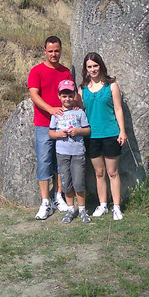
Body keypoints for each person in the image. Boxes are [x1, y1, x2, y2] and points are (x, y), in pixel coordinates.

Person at [78, 52, 128, 220]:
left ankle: (116, 207)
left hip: (111, 134)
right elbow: (76, 108)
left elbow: (118, 109)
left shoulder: (111, 85)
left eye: (95, 66)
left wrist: (122, 131)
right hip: (92, 136)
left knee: (112, 172)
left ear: (101, 66)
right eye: (89, 67)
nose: (92, 69)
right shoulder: (82, 89)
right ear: (85, 69)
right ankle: (103, 205)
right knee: (99, 173)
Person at [28, 36, 72, 220]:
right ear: (45, 51)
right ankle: (45, 202)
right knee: (44, 161)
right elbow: (34, 95)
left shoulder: (66, 72)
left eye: (57, 50)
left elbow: (71, 94)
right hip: (43, 124)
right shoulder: (36, 71)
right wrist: (51, 110)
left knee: (60, 162)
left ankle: (58, 197)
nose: (54, 54)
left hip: (62, 124)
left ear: (61, 50)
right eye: (50, 51)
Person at [49, 79, 91, 224]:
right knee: (66, 183)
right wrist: (59, 134)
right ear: (59, 96)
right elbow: (51, 133)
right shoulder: (57, 113)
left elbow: (87, 130)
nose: (67, 99)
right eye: (64, 96)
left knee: (79, 182)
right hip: (62, 152)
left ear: (74, 96)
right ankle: (70, 210)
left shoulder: (79, 113)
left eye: (70, 95)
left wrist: (77, 131)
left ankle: (82, 209)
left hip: (78, 152)